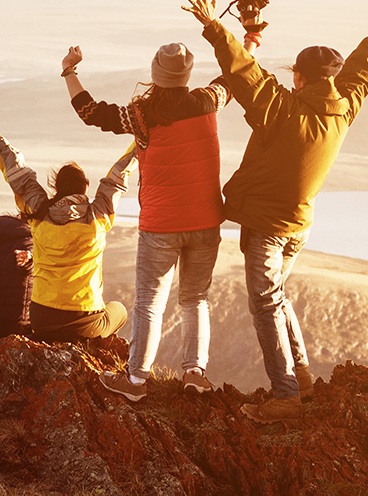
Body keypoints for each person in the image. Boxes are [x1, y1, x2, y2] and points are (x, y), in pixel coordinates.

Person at [182, 0, 368, 423]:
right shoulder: (345, 104)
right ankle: (302, 378)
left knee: (265, 305)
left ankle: (287, 396)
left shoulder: (282, 109)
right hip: (300, 226)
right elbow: (367, 61)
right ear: (331, 78)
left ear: (298, 75)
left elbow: (243, 72)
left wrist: (213, 26)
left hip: (269, 229)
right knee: (276, 297)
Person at [63, 38, 245, 399]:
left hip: (161, 224)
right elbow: (234, 77)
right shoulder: (209, 100)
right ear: (187, 74)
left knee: (149, 302)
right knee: (196, 298)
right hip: (206, 220)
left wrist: (69, 71)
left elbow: (90, 112)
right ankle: (195, 373)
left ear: (155, 74)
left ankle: (135, 381)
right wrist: (250, 38)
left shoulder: (141, 114)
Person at [0, 109, 135, 341]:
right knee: (119, 311)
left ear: (56, 188)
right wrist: (142, 140)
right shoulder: (98, 216)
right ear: (85, 188)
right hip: (85, 320)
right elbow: (118, 176)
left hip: (42, 318)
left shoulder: (39, 214)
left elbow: (19, 175)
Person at [0, 214, 33, 339]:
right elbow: (27, 265)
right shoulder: (30, 242)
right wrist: (28, 262)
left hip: (0, 316)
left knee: (4, 346)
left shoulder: (1, 244)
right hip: (22, 317)